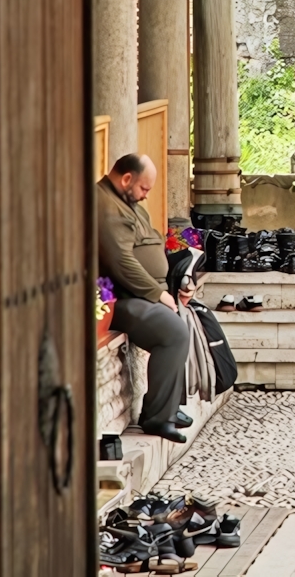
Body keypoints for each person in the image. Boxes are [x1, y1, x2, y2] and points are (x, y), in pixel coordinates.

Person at [97, 153, 192, 442]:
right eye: (144, 189)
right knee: (172, 331)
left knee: (191, 316)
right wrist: (157, 293)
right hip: (116, 296)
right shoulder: (104, 205)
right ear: (127, 178)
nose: (146, 196)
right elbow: (120, 262)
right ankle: (157, 417)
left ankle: (170, 406)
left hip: (145, 290)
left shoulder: (126, 201)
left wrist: (178, 283)